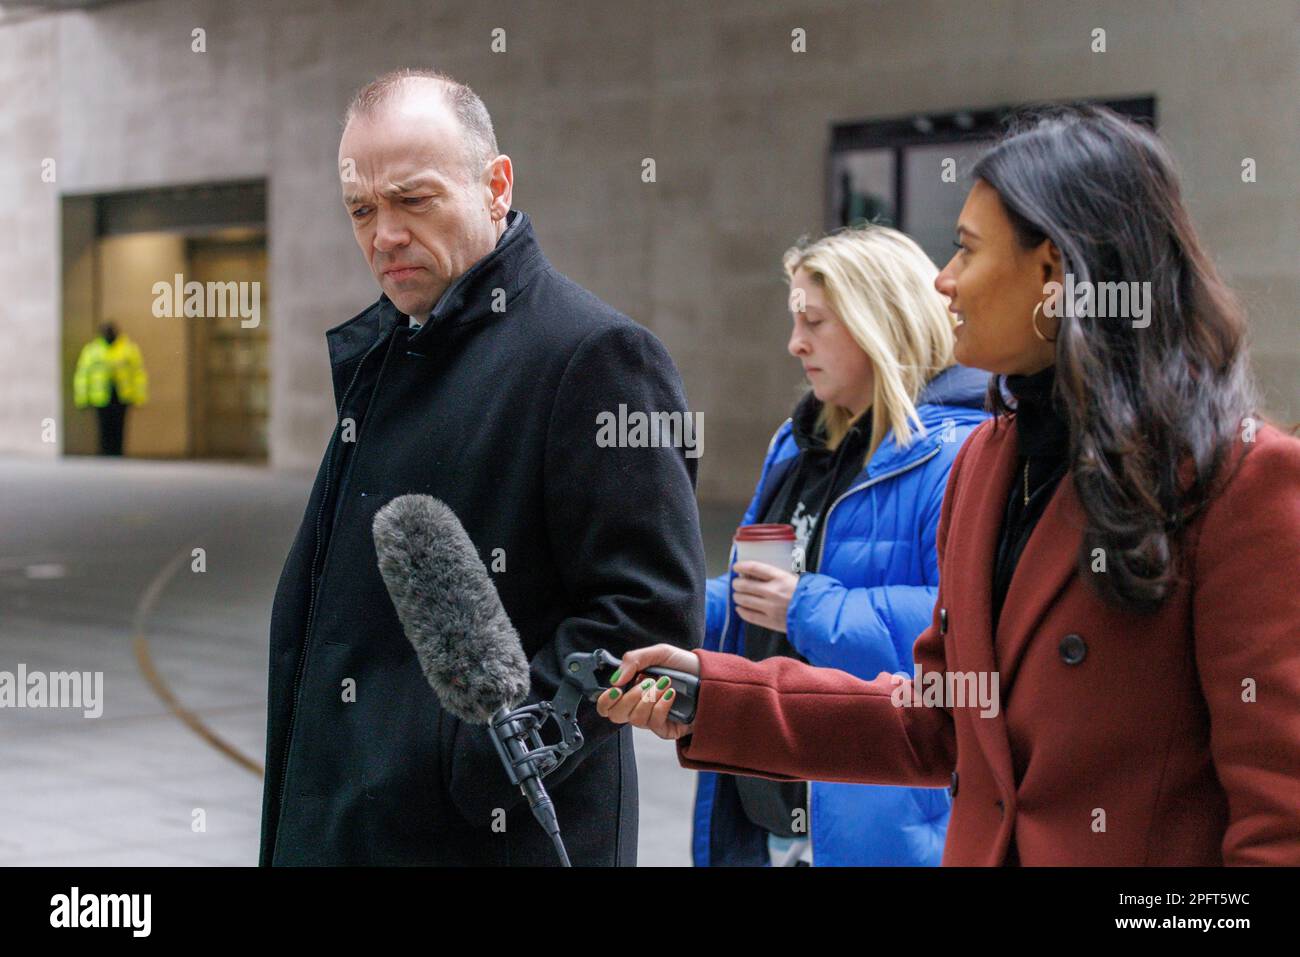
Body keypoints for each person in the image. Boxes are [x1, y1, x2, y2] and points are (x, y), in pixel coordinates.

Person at [598, 104, 1300, 866]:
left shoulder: (1241, 484)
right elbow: (935, 720)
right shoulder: (988, 463)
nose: (944, 279)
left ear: (1054, 272)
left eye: (965, 250)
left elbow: (1279, 822)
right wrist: (715, 692)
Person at [259, 68, 705, 866]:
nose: (382, 233)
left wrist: (466, 760)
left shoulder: (598, 357)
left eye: (413, 200)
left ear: (496, 185)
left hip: (479, 841)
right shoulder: (390, 351)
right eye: (362, 209)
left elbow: (648, 613)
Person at [691, 225, 989, 866]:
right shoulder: (797, 444)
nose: (794, 343)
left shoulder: (962, 454)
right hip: (771, 815)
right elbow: (752, 590)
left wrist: (807, 607)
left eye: (816, 322)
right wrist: (669, 607)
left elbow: (965, 630)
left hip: (881, 824)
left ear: (881, 321)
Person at [72, 321, 148, 455]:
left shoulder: (128, 349)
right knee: (104, 427)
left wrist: (139, 397)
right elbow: (82, 376)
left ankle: (117, 453)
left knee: (119, 427)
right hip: (100, 396)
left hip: (122, 395)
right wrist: (82, 398)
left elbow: (138, 375)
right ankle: (105, 453)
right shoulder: (92, 350)